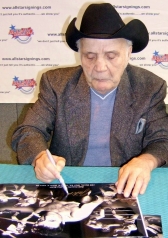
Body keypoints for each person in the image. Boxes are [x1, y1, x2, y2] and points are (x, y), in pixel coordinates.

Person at [11, 3, 168, 198]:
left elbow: (162, 139)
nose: (100, 67)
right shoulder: (57, 84)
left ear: (128, 54)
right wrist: (39, 157)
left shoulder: (150, 87)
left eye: (111, 56)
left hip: (126, 186)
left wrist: (146, 161)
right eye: (90, 56)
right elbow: (27, 131)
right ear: (80, 54)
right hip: (68, 183)